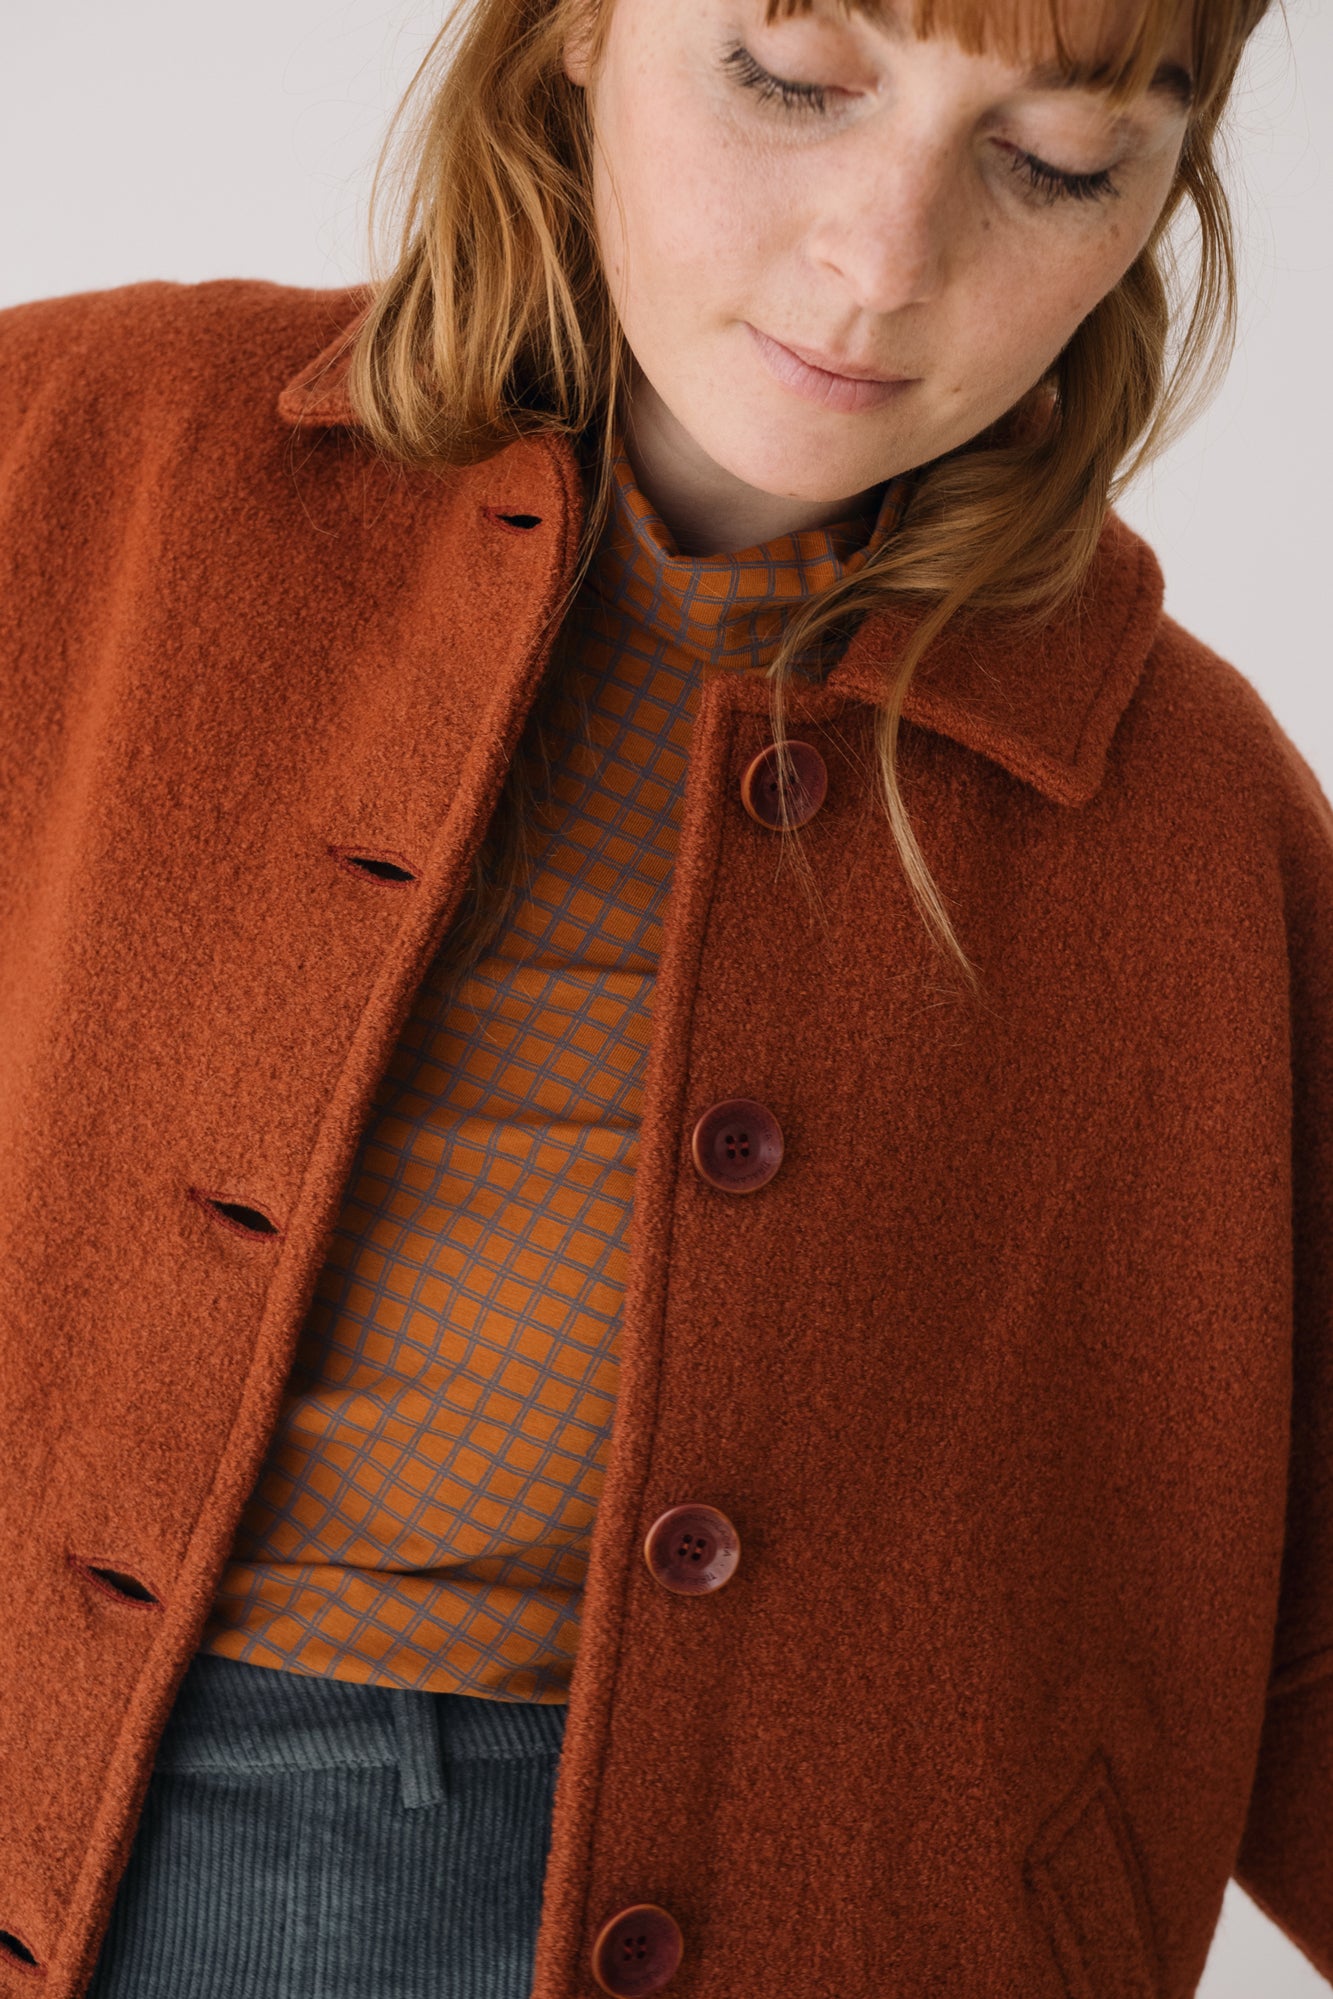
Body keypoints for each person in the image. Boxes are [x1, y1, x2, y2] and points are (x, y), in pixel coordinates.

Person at [0, 0, 1328, 1995]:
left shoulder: (1186, 811)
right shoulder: (80, 449)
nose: (879, 261)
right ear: (576, 32)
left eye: (1055, 162)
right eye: (789, 80)